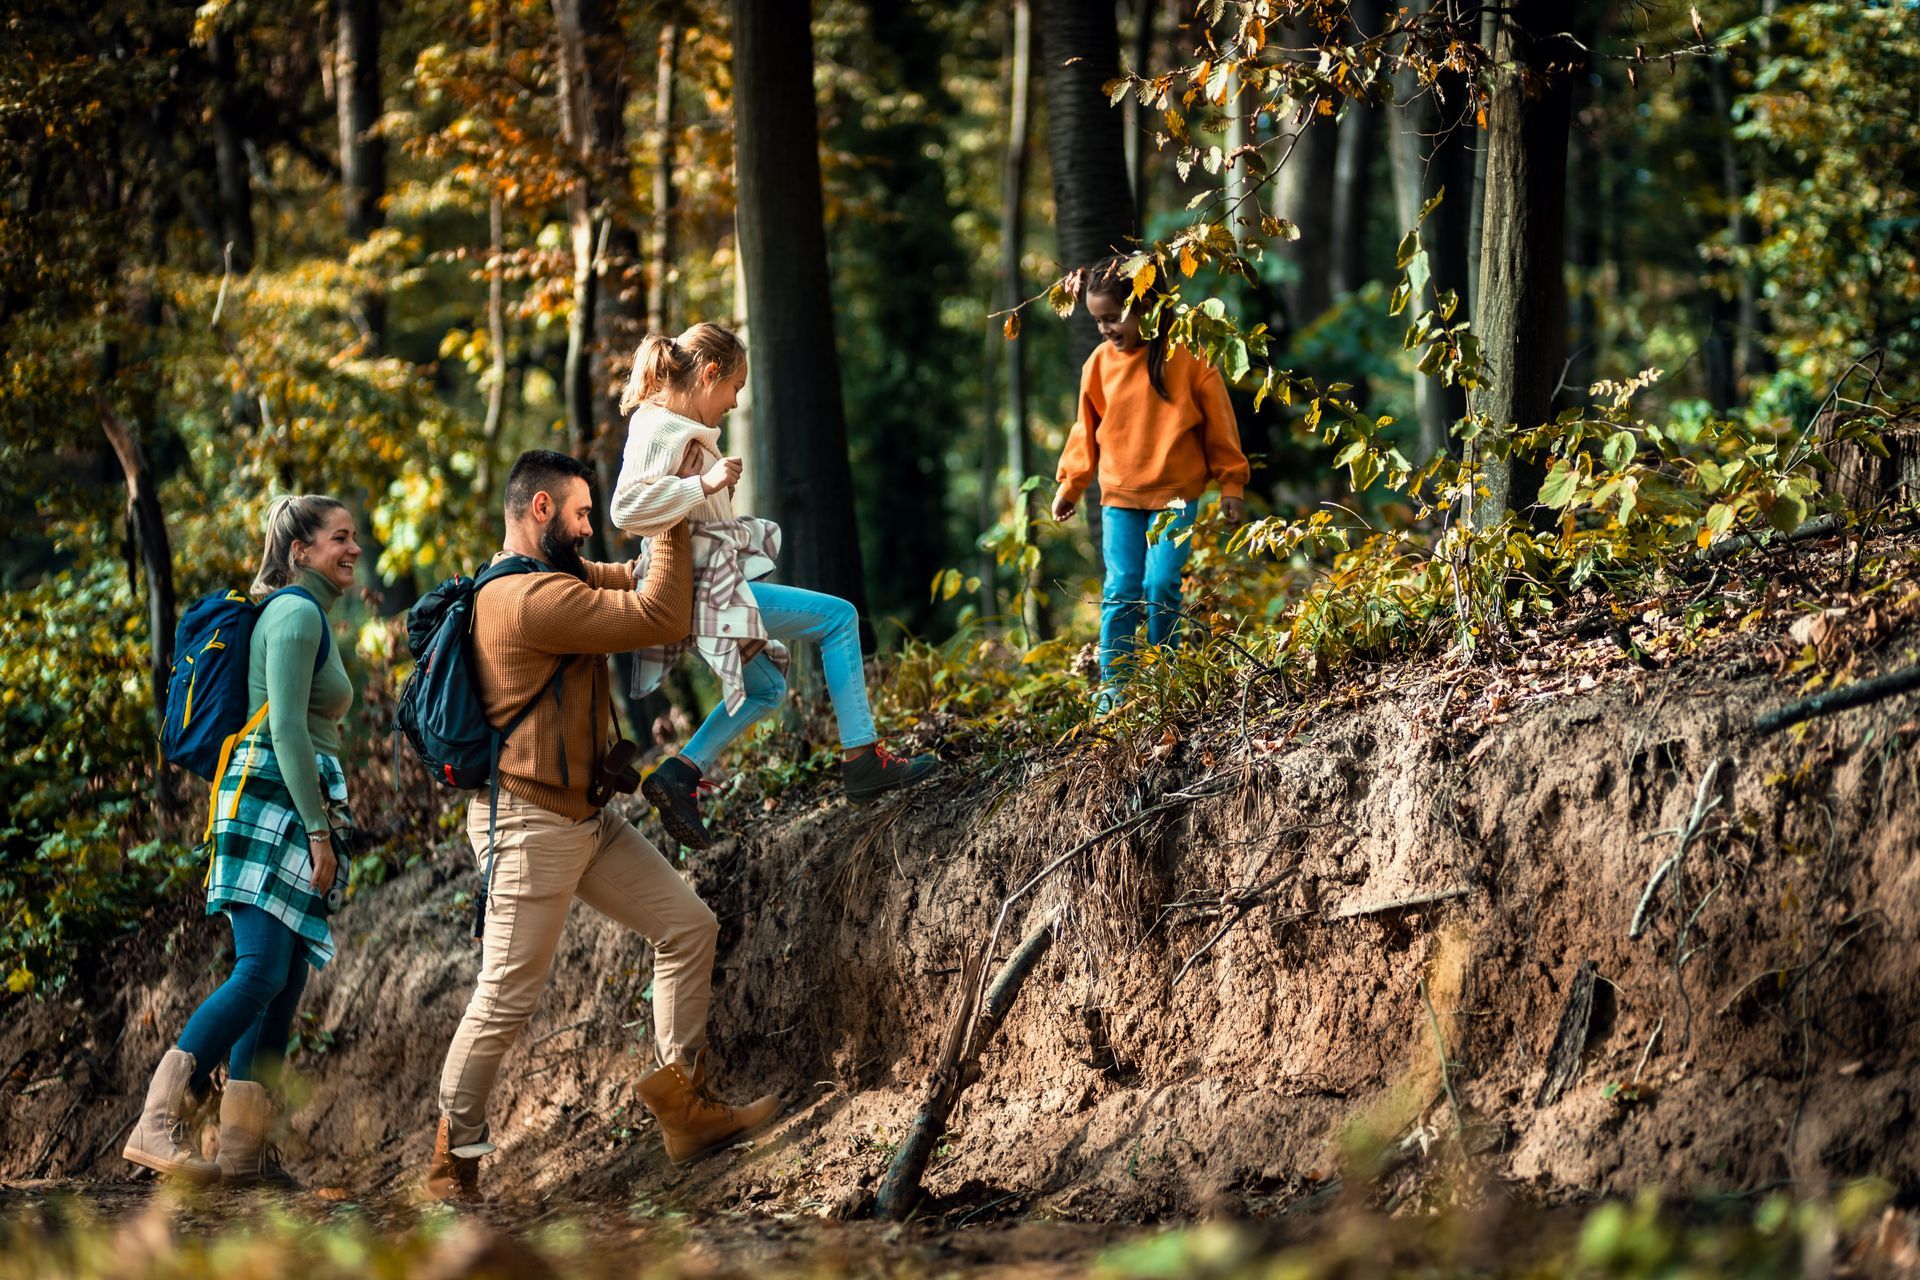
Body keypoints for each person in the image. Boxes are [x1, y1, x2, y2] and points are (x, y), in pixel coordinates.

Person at [426, 449, 777, 1200]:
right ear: (542, 510)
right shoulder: (529, 601)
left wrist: (672, 499)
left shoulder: (556, 577)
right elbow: (658, 612)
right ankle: (449, 1163)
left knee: (687, 927)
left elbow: (646, 580)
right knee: (507, 994)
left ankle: (685, 1107)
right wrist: (681, 510)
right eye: (583, 514)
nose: (592, 529)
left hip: (582, 818)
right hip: (528, 824)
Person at [609, 323, 938, 849]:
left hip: (712, 586)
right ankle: (863, 759)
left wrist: (705, 492)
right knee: (840, 618)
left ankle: (681, 773)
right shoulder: (661, 427)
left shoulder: (678, 425)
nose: (735, 403)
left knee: (765, 689)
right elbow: (625, 508)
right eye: (734, 387)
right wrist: (704, 484)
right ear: (709, 374)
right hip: (700, 591)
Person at [123, 495, 361, 1188]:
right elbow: (285, 728)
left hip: (284, 800)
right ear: (299, 552)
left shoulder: (303, 615)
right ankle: (156, 1121)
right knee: (260, 969)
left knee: (283, 983)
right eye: (338, 539)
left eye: (353, 538)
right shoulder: (293, 614)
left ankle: (242, 1156)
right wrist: (318, 830)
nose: (352, 549)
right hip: (270, 801)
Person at [1049, 256, 1250, 713]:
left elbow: (1220, 428)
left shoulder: (1189, 358)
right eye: (1098, 320)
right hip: (1119, 497)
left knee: (1161, 583)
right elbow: (1084, 430)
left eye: (1112, 317)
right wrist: (1071, 484)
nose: (1104, 329)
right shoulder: (1098, 365)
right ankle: (1114, 688)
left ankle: (1167, 678)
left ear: (1148, 307)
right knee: (1121, 589)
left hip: (1177, 494)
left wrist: (1232, 485)